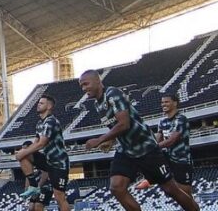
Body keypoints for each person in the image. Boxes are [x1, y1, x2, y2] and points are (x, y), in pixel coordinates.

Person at [80, 70, 198, 211]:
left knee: (170, 189)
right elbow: (116, 126)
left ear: (98, 81)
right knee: (116, 187)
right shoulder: (97, 105)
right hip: (126, 150)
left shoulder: (112, 94)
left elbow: (124, 124)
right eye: (81, 86)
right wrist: (109, 141)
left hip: (145, 147)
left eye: (86, 84)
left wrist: (99, 140)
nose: (84, 88)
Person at [15, 95, 70, 211]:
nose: (38, 104)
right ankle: (33, 185)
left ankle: (35, 186)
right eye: (38, 103)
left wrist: (23, 152)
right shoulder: (39, 123)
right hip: (47, 160)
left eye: (41, 103)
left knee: (59, 197)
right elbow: (35, 144)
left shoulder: (51, 121)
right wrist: (23, 152)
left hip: (58, 163)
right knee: (23, 154)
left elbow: (41, 144)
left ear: (49, 106)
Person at [156, 94, 193, 197]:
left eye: (166, 102)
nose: (163, 104)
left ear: (175, 103)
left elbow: (172, 140)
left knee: (185, 194)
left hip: (181, 160)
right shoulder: (162, 122)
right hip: (168, 160)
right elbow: (157, 140)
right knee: (172, 192)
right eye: (162, 102)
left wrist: (153, 147)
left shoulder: (181, 119)